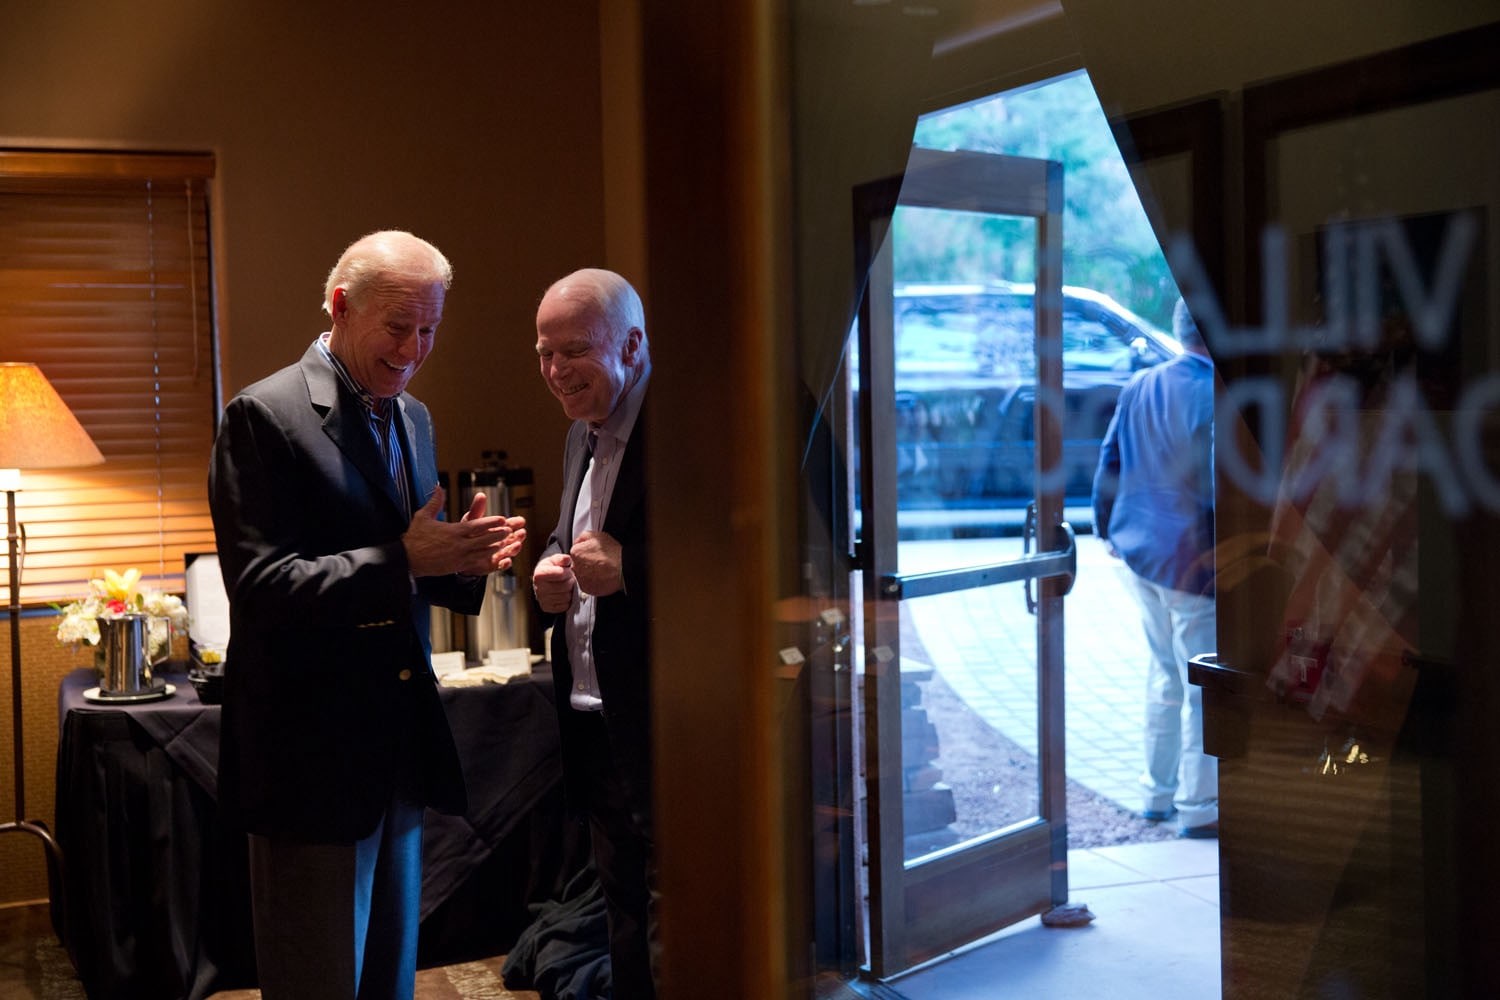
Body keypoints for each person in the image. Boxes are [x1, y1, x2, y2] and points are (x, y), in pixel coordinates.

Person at [208, 230, 526, 998]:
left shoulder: (412, 417)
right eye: (397, 326)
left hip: (395, 747)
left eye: (429, 330)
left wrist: (462, 560)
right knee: (318, 982)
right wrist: (409, 560)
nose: (414, 348)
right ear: (340, 306)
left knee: (390, 982)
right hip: (309, 761)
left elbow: (410, 561)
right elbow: (261, 588)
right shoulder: (263, 415)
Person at [531, 268, 657, 998]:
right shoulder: (581, 434)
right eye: (543, 353)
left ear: (633, 344)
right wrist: (552, 565)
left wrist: (634, 568)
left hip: (667, 723)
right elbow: (571, 536)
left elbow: (746, 564)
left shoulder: (690, 427)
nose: (554, 372)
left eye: (572, 351)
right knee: (622, 914)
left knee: (677, 912)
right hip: (592, 718)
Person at [1091, 297, 1218, 838]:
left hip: (1139, 553)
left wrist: (1106, 530)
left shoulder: (1140, 384)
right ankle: (1199, 809)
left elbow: (1110, 460)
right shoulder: (1216, 393)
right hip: (1191, 562)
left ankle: (1156, 794)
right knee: (1202, 685)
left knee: (1164, 672)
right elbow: (1215, 486)